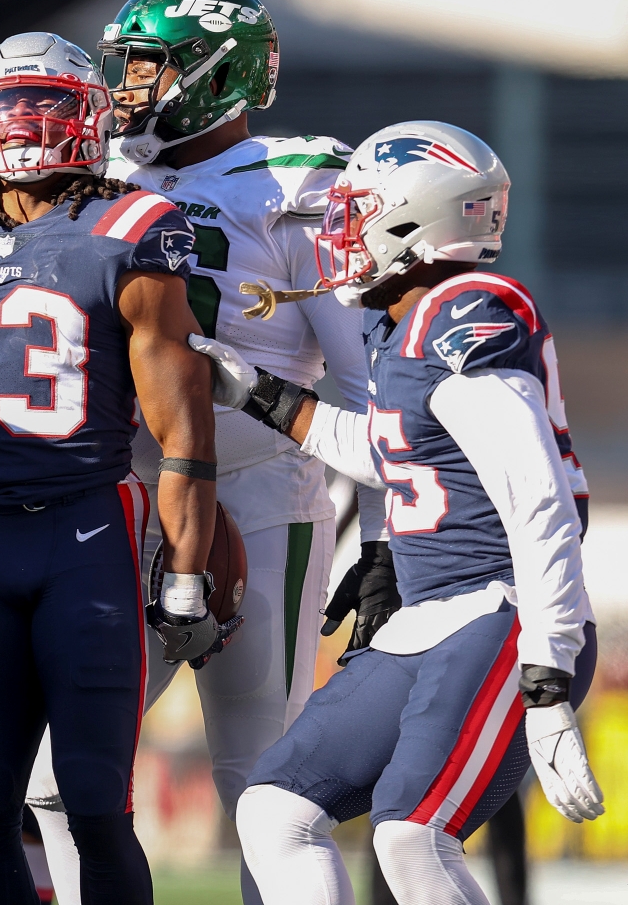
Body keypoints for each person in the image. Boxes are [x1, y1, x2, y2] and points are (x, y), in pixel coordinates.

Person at [16, 0, 390, 905]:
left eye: (144, 67)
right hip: (122, 505)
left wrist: (384, 542)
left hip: (261, 500)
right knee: (57, 780)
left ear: (210, 75)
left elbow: (372, 388)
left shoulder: (299, 180)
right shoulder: (101, 180)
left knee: (266, 788)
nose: (126, 88)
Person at [0, 31, 230, 904]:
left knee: (90, 798)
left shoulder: (129, 229)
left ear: (86, 117)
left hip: (87, 529)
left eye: (46, 104)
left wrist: (185, 575)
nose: (24, 125)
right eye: (6, 107)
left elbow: (183, 425)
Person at [234, 121, 600, 905]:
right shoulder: (402, 318)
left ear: (413, 221)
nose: (341, 232)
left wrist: (548, 675)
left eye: (358, 211)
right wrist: (260, 393)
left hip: (500, 614)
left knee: (412, 837)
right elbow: (389, 454)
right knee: (274, 811)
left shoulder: (467, 309)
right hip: (430, 617)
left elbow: (538, 498)